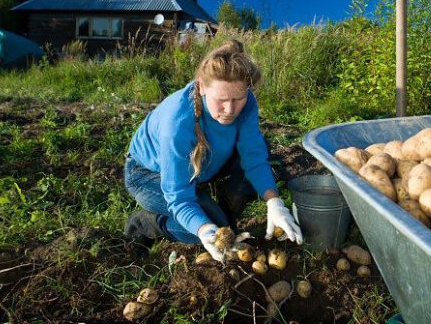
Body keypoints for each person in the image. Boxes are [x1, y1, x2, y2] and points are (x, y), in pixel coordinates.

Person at [123, 40, 303, 261]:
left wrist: (274, 202)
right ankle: (148, 223)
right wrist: (204, 229)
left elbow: (254, 157)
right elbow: (179, 197)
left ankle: (223, 216)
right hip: (148, 174)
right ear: (201, 87)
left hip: (205, 162)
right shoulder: (177, 124)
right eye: (221, 100)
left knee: (261, 150)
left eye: (238, 99)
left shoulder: (246, 103)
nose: (230, 110)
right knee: (211, 226)